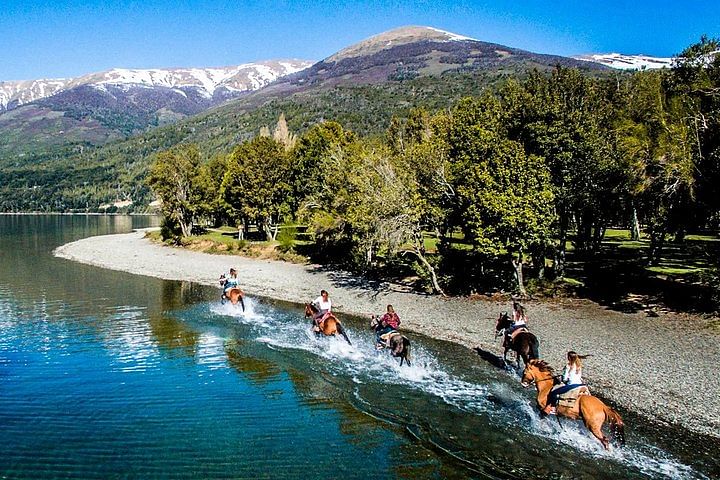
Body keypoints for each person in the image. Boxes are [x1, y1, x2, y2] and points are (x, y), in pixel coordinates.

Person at [544, 351, 590, 415]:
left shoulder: (568, 365)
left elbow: (565, 378)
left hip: (572, 385)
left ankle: (553, 408)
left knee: (554, 392)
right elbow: (579, 376)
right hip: (580, 384)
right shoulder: (578, 365)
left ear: (569, 357)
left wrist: (562, 379)